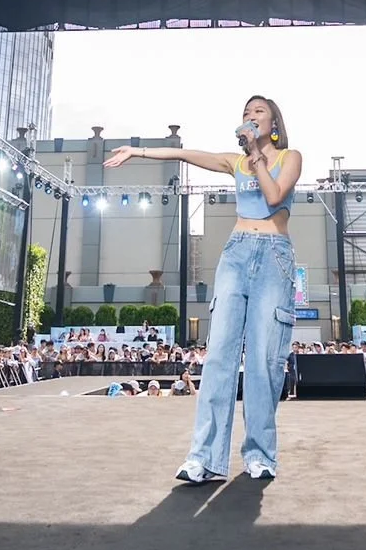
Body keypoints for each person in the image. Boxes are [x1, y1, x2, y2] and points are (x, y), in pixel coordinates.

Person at [108, 96, 302, 482]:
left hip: (275, 257)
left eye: (258, 112)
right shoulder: (235, 161)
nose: (250, 117)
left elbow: (274, 196)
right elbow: (188, 155)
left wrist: (256, 156)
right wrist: (140, 151)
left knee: (264, 360)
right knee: (218, 358)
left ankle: (260, 455)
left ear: (274, 121)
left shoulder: (289, 156)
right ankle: (205, 458)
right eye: (246, 113)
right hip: (236, 253)